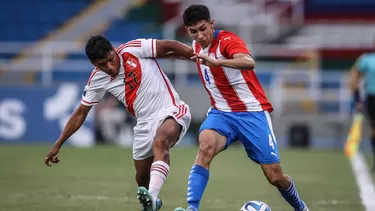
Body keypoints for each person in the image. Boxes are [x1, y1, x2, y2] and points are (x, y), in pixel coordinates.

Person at [174, 5, 309, 211]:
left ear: (212, 24)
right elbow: (169, 48)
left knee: (275, 176)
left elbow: (248, 61)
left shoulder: (228, 40)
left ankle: (300, 208)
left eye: (203, 29)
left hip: (251, 113)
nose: (200, 36)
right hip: (221, 113)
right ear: (187, 30)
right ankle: (192, 208)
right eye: (194, 31)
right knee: (205, 148)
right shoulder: (195, 46)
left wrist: (218, 63)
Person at [44, 35, 194, 211]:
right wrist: (58, 143)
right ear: (94, 65)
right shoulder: (97, 79)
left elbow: (170, 45)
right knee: (141, 178)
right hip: (143, 125)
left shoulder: (134, 49)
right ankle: (152, 203)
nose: (109, 67)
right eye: (101, 65)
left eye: (110, 60)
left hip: (171, 110)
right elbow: (80, 114)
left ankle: (152, 198)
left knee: (160, 142)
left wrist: (197, 57)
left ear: (114, 51)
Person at [350, 39, 375, 172]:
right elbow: (355, 77)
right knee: (374, 129)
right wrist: (357, 99)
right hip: (372, 98)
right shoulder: (366, 59)